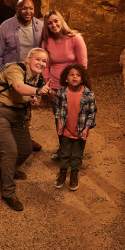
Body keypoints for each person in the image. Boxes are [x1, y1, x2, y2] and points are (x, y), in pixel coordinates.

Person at [0, 48, 51, 211]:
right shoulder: (15, 69)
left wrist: (33, 102)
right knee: (10, 151)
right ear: (28, 59)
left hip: (17, 114)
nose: (41, 63)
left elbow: (27, 97)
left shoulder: (36, 77)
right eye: (38, 59)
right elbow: (19, 87)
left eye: (44, 61)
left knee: (26, 150)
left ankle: (9, 170)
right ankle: (8, 192)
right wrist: (38, 91)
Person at [0, 0, 44, 158]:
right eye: (24, 8)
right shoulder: (5, 28)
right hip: (10, 76)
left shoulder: (40, 27)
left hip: (30, 76)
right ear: (17, 10)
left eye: (31, 8)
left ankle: (25, 138)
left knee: (26, 109)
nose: (28, 12)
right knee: (4, 107)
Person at [40, 10, 88, 160]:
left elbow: (82, 65)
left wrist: (77, 88)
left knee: (75, 119)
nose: (53, 25)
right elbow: (45, 66)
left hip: (73, 86)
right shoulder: (46, 42)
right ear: (46, 26)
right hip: (55, 87)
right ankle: (63, 150)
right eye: (49, 23)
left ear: (61, 21)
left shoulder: (75, 38)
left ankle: (76, 153)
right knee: (60, 119)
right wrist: (49, 88)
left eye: (55, 21)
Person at [53, 64, 96, 191]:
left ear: (82, 79)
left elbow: (92, 113)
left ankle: (74, 174)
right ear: (66, 78)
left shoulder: (88, 94)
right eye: (71, 74)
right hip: (66, 129)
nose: (75, 77)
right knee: (64, 152)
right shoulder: (61, 91)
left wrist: (87, 128)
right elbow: (59, 108)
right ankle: (62, 173)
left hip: (80, 131)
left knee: (77, 154)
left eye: (78, 75)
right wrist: (59, 122)